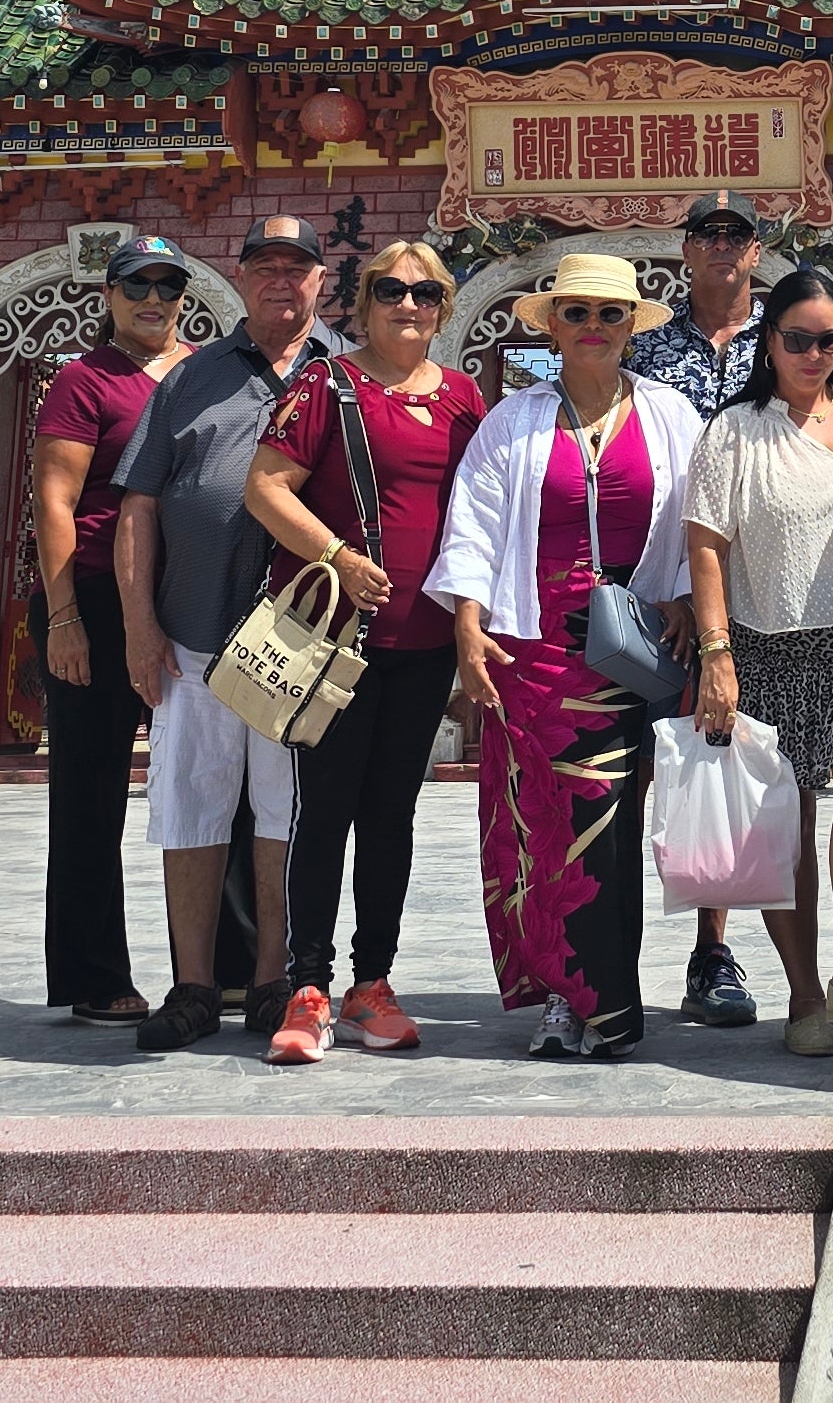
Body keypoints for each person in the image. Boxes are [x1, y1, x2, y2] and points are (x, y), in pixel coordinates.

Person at [428, 250, 705, 1062]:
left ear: (630, 327)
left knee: (609, 823)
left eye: (609, 314)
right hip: (532, 643)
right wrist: (467, 625)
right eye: (576, 312)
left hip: (631, 644)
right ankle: (561, 994)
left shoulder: (669, 414)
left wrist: (687, 596)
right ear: (552, 325)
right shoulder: (512, 421)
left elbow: (700, 519)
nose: (593, 327)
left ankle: (606, 1002)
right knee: (543, 822)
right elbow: (474, 525)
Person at [243, 236, 489, 1063]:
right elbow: (265, 487)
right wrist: (338, 557)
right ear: (364, 303)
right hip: (335, 641)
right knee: (324, 811)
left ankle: (371, 983)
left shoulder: (464, 398)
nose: (408, 305)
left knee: (392, 815)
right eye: (391, 290)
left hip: (425, 641)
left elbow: (481, 513)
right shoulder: (328, 385)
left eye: (424, 293)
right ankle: (307, 988)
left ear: (443, 308)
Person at [109, 212, 347, 1052]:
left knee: (286, 813)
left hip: (297, 640)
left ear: (321, 281)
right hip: (193, 632)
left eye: (297, 268)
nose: (281, 281)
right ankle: (194, 986)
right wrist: (139, 626)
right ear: (240, 277)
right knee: (190, 806)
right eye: (264, 266)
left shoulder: (348, 375)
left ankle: (275, 980)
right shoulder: (191, 376)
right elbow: (138, 505)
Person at [686, 269, 833, 1056]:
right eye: (798, 339)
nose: (815, 354)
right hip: (770, 645)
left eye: (830, 341)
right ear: (770, 342)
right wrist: (717, 654)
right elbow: (705, 545)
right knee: (785, 823)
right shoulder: (736, 431)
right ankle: (804, 996)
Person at [30, 234, 192, 1023]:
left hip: (192, 603)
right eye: (137, 286)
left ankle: (226, 969)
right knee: (91, 795)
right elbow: (55, 500)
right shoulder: (84, 379)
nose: (153, 300)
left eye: (167, 286)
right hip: (93, 599)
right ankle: (94, 976)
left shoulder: (205, 373)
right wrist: (64, 616)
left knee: (214, 782)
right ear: (109, 297)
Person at [630, 190, 772, 1030]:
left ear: (756, 249)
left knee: (724, 764)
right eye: (706, 233)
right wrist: (679, 580)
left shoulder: (784, 340)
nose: (722, 245)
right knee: (642, 763)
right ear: (685, 249)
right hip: (664, 586)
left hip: (763, 578)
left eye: (736, 234)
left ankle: (712, 951)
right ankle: (607, 948)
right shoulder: (645, 348)